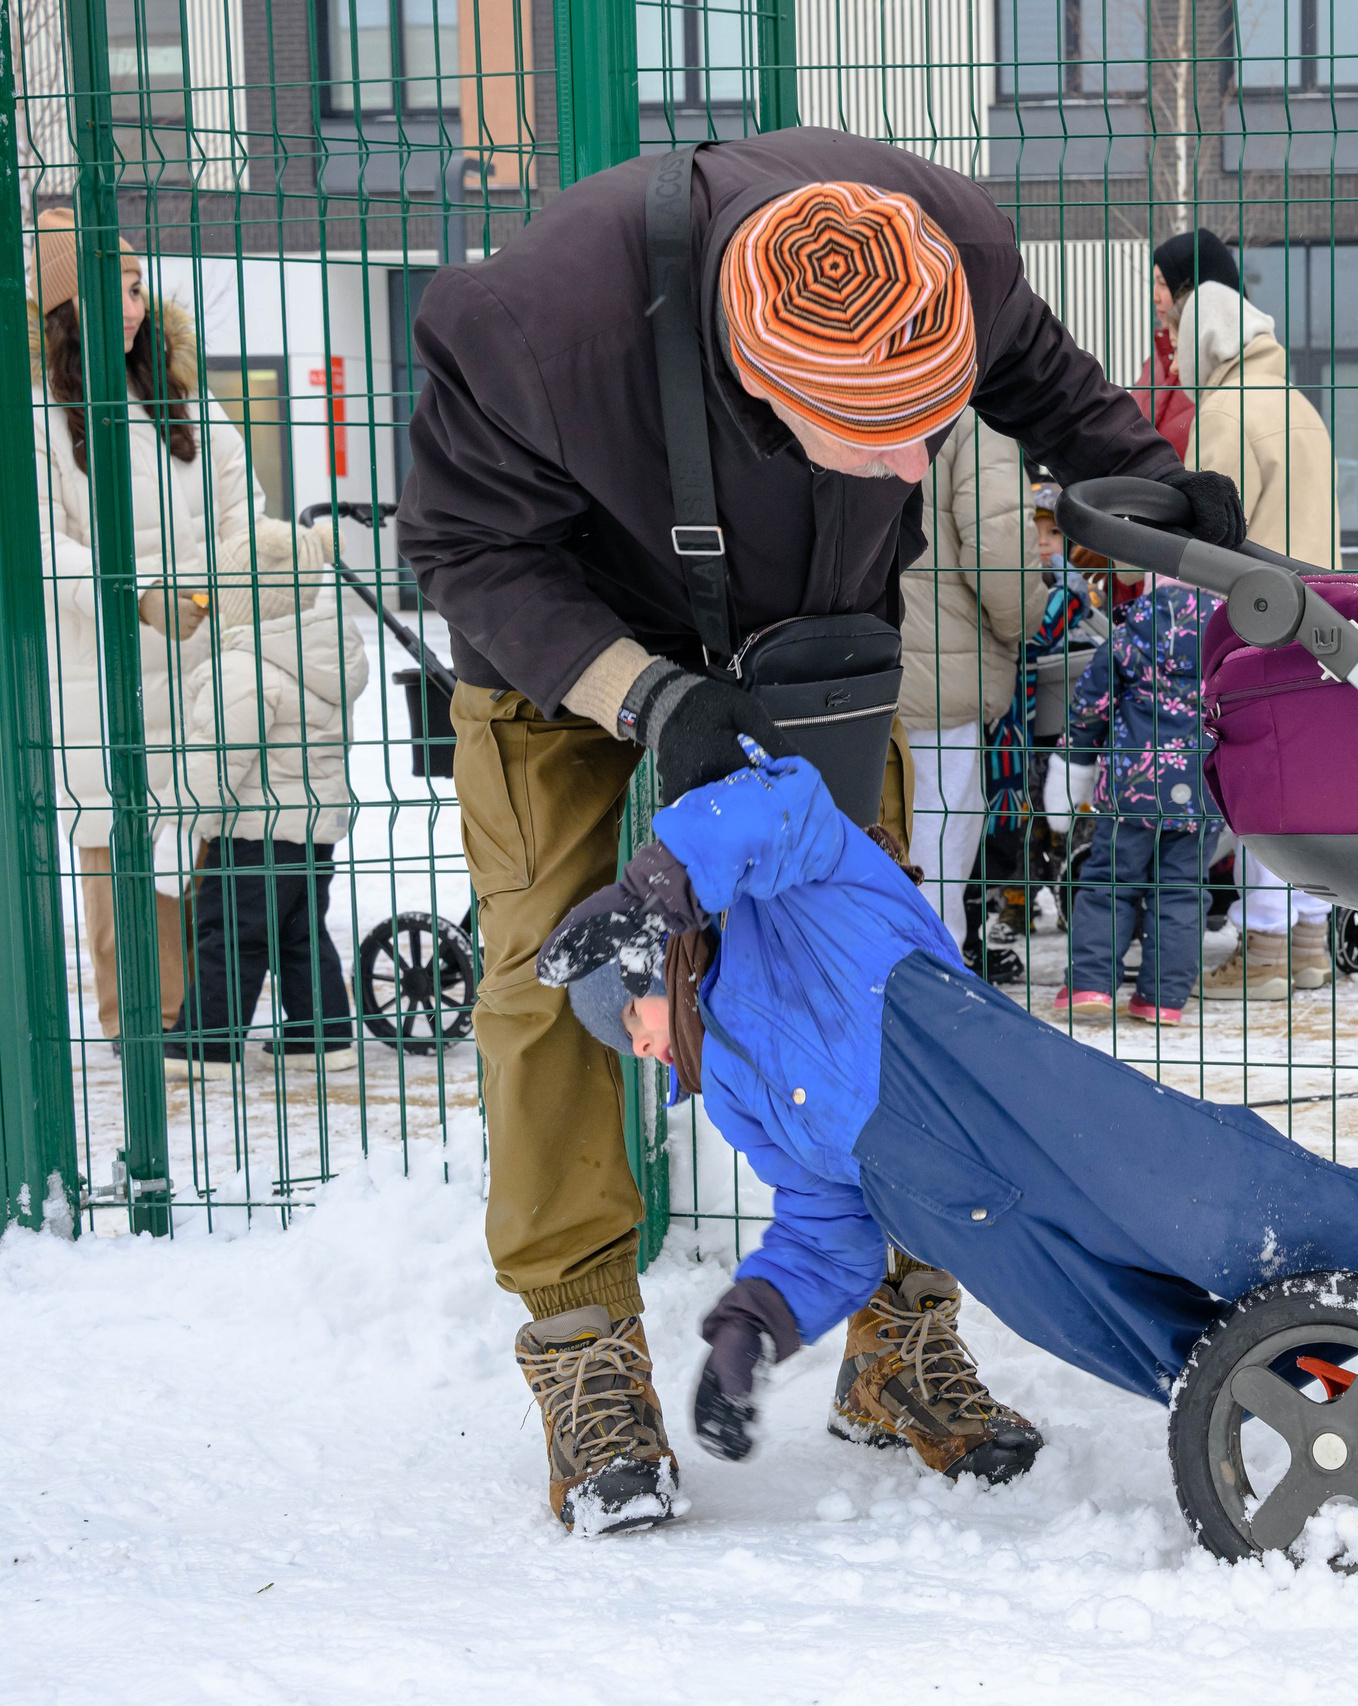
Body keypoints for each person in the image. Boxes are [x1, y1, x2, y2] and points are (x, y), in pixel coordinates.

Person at [397, 128, 1246, 1534]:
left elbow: (1031, 374)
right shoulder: (533, 327)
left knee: (889, 974)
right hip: (567, 656)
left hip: (813, 653)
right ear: (756, 383)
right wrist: (645, 692)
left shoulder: (947, 250)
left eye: (930, 425)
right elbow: (465, 549)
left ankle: (900, 1335)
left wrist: (1138, 476)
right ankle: (584, 1351)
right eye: (881, 437)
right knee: (558, 979)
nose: (918, 469)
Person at [535, 745, 1358, 1472]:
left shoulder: (801, 903)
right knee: (1164, 1345)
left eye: (632, 1018)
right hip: (970, 1221)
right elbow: (827, 1223)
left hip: (1021, 1108)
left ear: (653, 954)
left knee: (1228, 1211)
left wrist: (655, 881)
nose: (644, 1047)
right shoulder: (733, 1089)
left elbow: (785, 801)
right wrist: (753, 1322)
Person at [29, 208, 259, 1044]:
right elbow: (44, 549)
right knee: (121, 855)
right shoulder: (38, 420)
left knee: (202, 843)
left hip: (201, 665)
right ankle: (145, 1035)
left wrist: (234, 587)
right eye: (109, 288)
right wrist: (135, 596)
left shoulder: (181, 402)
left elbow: (243, 508)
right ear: (63, 309)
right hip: (108, 676)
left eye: (134, 286)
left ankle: (204, 1024)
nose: (131, 304)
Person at [1174, 276, 1341, 1002]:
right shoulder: (1299, 406)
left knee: (1254, 784)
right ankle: (1310, 941)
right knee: (1303, 780)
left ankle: (1266, 947)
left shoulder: (1227, 409)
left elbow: (1209, 534)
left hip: (1250, 620)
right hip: (1315, 614)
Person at [165, 520, 368, 1077]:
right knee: (299, 931)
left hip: (254, 829)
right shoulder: (320, 657)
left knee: (231, 932)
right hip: (312, 828)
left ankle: (206, 1046)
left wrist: (188, 817)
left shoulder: (244, 668)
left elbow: (218, 757)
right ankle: (321, 1038)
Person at [897, 406, 1036, 975]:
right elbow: (1000, 549)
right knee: (940, 823)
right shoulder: (971, 410)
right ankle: (933, 975)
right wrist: (1022, 624)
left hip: (836, 655)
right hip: (939, 669)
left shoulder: (836, 375)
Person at [1053, 567, 1220, 1025]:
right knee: (1182, 893)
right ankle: (1162, 999)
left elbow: (1091, 706)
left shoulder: (1129, 637)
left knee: (1109, 884)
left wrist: (1073, 764)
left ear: (1150, 584)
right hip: (1202, 794)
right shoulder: (1229, 641)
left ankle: (1090, 984)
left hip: (1131, 789)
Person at [1132, 230, 1239, 458]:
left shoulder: (1228, 374)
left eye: (1163, 284)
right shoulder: (1155, 364)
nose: (1154, 296)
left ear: (1195, 293)